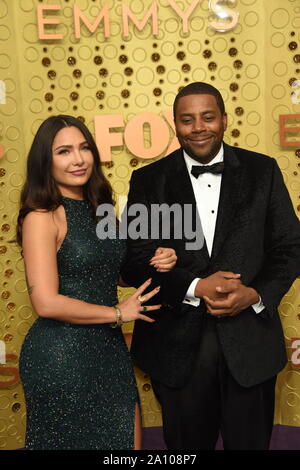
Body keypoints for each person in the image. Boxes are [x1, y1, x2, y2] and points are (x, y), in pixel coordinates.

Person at [121, 82, 300, 450]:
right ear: (175, 125)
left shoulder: (263, 171)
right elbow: (135, 261)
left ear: (224, 119)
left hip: (250, 345)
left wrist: (254, 293)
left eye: (207, 117)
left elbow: (290, 246)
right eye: (187, 120)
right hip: (176, 349)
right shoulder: (149, 180)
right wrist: (194, 287)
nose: (198, 127)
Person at [17, 114, 177, 450]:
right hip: (61, 356)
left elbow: (112, 271)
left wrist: (156, 260)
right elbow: (46, 301)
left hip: (109, 349)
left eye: (84, 147)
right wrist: (118, 314)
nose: (78, 159)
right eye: (64, 151)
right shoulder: (42, 216)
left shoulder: (100, 207)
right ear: (45, 161)